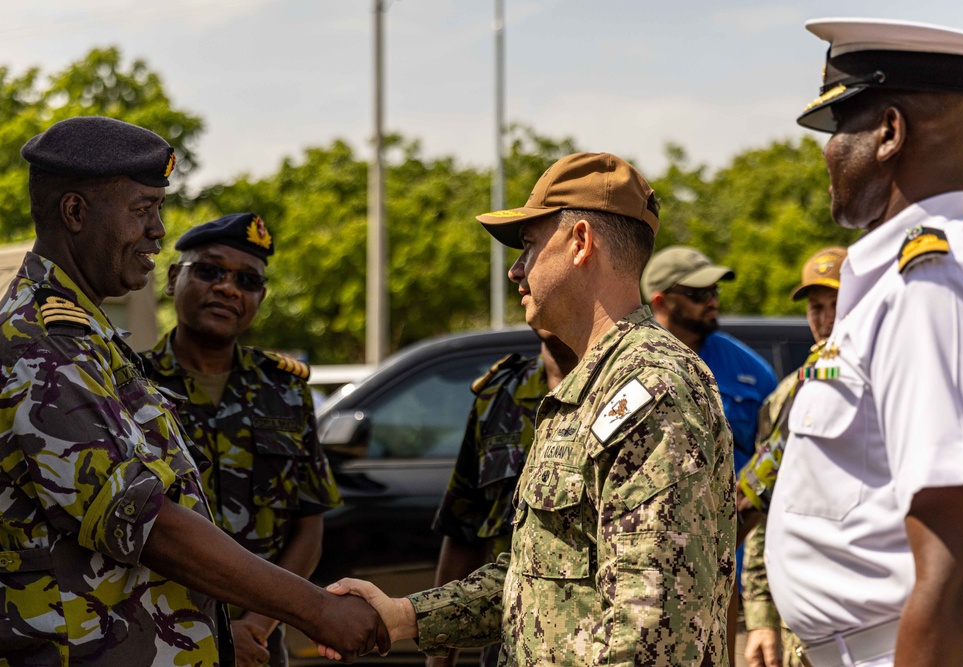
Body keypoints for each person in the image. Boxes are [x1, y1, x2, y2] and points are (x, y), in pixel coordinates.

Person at [0, 116, 387, 666]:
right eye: (143, 210)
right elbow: (147, 521)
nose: (157, 229)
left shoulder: (88, 336)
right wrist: (319, 611)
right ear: (75, 212)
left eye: (158, 210)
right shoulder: (41, 341)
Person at [324, 151, 735, 666]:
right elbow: (535, 579)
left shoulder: (650, 387)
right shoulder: (589, 387)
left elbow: (652, 627)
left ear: (581, 242)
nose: (517, 270)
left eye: (530, 246)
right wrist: (402, 615)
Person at [766, 19, 963, 667]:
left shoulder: (930, 290)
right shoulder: (903, 284)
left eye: (840, 127)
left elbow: (960, 577)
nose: (828, 152)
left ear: (890, 132)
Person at [140, 213, 343, 667]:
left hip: (258, 645)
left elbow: (308, 525)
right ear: (174, 279)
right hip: (156, 638)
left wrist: (255, 625)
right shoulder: (129, 385)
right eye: (210, 271)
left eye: (247, 280)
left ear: (260, 298)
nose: (228, 289)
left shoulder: (286, 391)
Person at [641, 245, 778, 664]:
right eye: (700, 294)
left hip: (731, 571)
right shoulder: (629, 361)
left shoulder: (749, 370)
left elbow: (775, 469)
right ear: (662, 299)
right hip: (648, 571)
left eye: (715, 291)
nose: (713, 300)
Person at [427, 329, 577, 667]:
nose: (519, 275)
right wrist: (440, 660)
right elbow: (464, 530)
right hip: (506, 647)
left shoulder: (629, 389)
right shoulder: (497, 397)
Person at [740, 247, 845, 667]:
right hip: (803, 615)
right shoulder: (788, 395)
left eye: (838, 304)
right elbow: (765, 509)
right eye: (817, 307)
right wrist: (761, 616)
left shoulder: (891, 381)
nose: (826, 318)